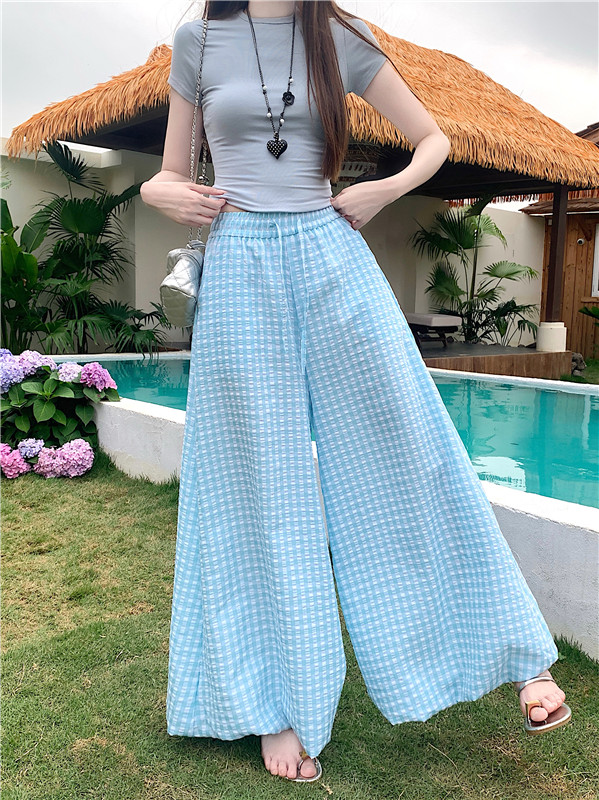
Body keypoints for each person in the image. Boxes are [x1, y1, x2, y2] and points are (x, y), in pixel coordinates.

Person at [141, 0, 571, 784]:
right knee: (254, 483)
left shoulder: (339, 35)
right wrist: (158, 191)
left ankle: (516, 656)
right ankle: (276, 704)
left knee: (411, 450)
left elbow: (432, 139)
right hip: (238, 264)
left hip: (331, 252)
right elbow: (168, 174)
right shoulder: (197, 39)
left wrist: (384, 189)